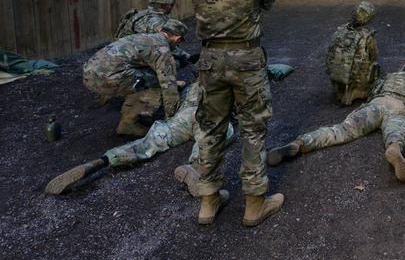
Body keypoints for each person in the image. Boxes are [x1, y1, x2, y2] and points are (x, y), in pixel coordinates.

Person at [179, 0, 282, 227]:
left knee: (210, 128)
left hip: (210, 58)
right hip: (247, 59)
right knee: (253, 128)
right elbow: (268, 1)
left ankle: (208, 202)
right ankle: (254, 204)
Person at [44, 65, 295, 197]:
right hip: (211, 118)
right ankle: (194, 169)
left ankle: (102, 162)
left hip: (182, 117)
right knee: (211, 140)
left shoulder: (194, 84)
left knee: (147, 144)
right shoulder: (237, 83)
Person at [267, 56, 405, 183]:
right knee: (397, 131)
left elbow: (373, 91)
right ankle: (395, 147)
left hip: (378, 103)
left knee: (341, 130)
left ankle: (301, 143)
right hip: (400, 107)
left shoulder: (390, 76)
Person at [83, 19, 188, 137]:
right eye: (179, 42)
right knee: (156, 84)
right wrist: (172, 118)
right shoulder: (162, 50)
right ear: (177, 38)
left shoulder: (142, 37)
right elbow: (168, 87)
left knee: (145, 74)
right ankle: (128, 124)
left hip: (88, 74)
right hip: (107, 80)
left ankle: (111, 93)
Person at [114, 0, 195, 67]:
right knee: (173, 64)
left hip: (120, 55)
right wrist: (187, 58)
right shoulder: (155, 22)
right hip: (125, 63)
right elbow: (164, 45)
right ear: (167, 4)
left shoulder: (142, 14)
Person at [326, 1, 380, 105]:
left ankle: (341, 88)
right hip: (356, 79)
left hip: (336, 76)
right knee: (375, 66)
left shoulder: (340, 30)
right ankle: (359, 90)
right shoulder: (367, 35)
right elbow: (374, 55)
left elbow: (330, 52)